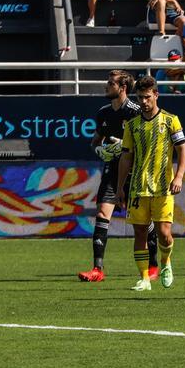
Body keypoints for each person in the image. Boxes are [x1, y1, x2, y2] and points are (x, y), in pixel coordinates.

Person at [115, 76, 185, 291]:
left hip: (163, 187)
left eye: (147, 97)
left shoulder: (170, 120)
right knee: (140, 233)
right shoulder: (132, 125)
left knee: (164, 234)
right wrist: (120, 187)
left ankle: (165, 262)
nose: (144, 102)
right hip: (138, 187)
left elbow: (182, 149)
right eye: (140, 98)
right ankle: (144, 278)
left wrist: (179, 176)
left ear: (156, 95)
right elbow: (126, 156)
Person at [77, 72, 149, 283]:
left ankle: (153, 265)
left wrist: (126, 146)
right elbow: (95, 141)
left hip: (135, 169)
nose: (106, 87)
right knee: (102, 213)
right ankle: (97, 269)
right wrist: (100, 150)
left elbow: (147, 141)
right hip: (112, 169)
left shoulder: (136, 111)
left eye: (110, 84)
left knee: (144, 221)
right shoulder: (103, 113)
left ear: (123, 87)